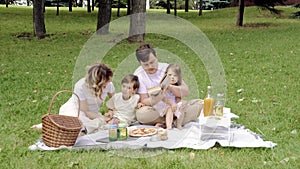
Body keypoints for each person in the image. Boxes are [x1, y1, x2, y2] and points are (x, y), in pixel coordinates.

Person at [31, 63, 115, 134]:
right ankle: (48, 125)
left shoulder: (109, 85)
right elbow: (86, 111)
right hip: (77, 111)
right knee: (79, 127)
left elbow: (114, 100)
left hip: (93, 113)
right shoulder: (80, 86)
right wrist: (102, 118)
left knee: (100, 125)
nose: (108, 83)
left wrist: (110, 110)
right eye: (106, 81)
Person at [133, 43, 203, 128]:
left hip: (174, 105)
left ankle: (169, 120)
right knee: (141, 115)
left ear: (156, 56)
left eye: (152, 62)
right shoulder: (139, 75)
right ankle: (175, 120)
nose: (150, 66)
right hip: (157, 110)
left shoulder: (168, 69)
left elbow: (185, 91)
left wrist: (170, 87)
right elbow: (144, 100)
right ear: (140, 63)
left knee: (201, 103)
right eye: (146, 65)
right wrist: (157, 98)